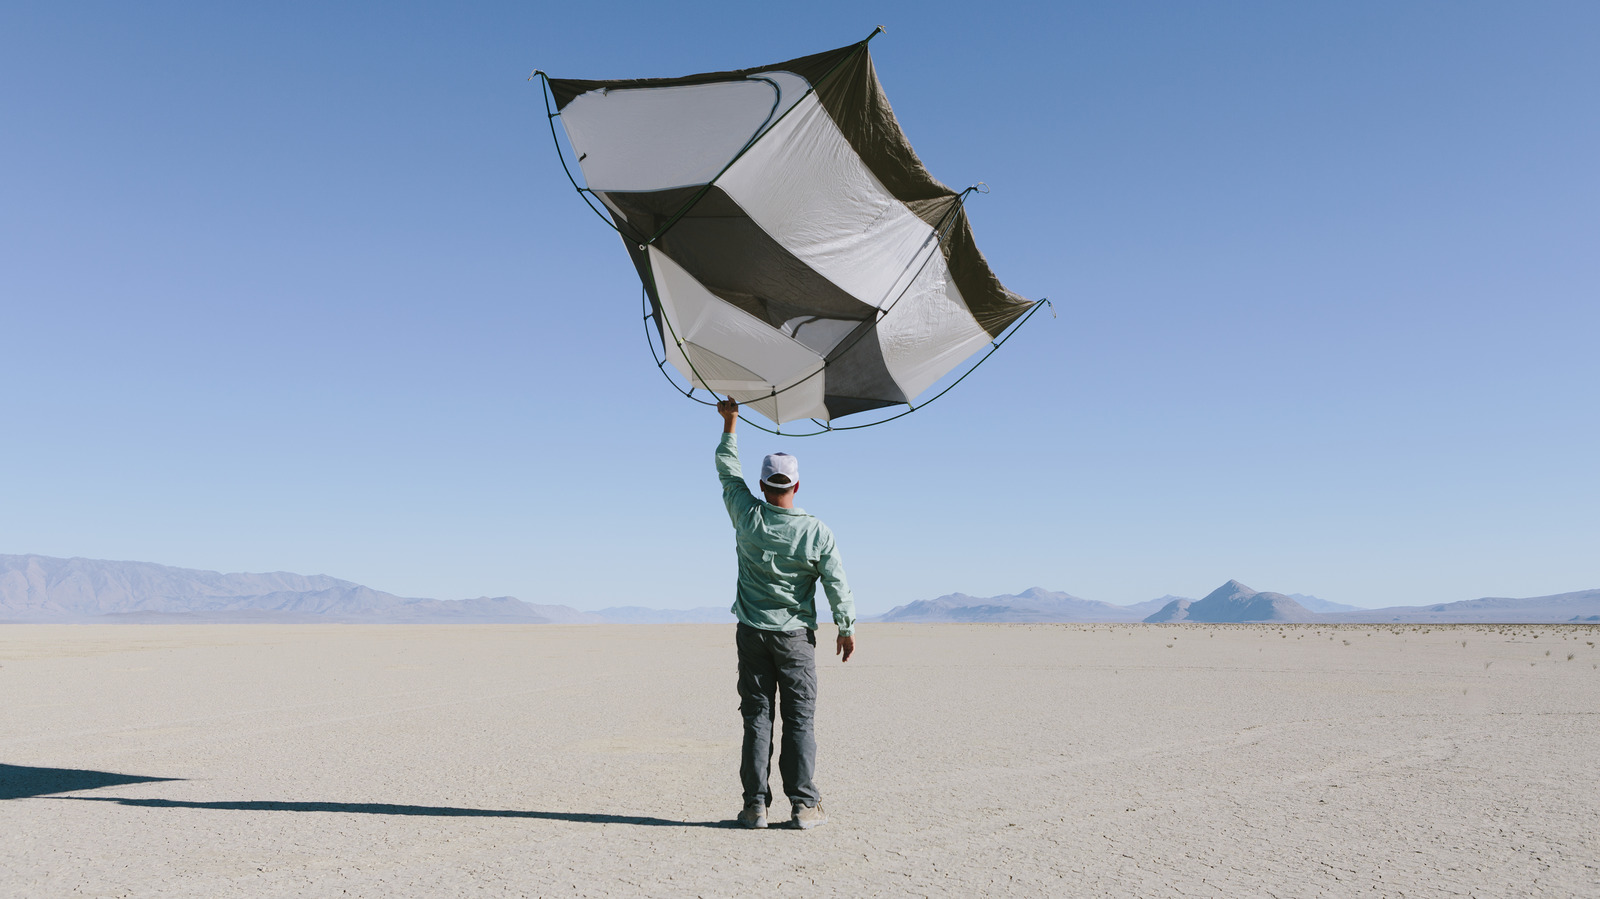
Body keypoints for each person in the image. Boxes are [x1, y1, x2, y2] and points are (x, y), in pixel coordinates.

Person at [715, 398, 856, 830]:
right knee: (799, 719)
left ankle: (755, 806)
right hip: (795, 638)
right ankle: (804, 805)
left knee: (757, 718)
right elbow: (836, 581)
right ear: (797, 486)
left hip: (752, 633)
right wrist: (845, 626)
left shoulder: (746, 515)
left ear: (761, 485)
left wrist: (731, 423)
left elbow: (726, 469)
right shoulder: (816, 531)